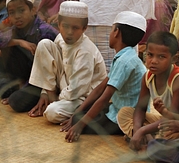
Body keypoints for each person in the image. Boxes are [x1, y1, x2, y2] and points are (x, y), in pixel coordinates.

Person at [62, 11, 147, 140]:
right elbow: (99, 89)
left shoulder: (125, 61)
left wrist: (79, 125)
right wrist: (77, 113)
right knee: (80, 110)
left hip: (124, 116)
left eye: (112, 29)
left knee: (79, 121)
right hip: (116, 108)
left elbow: (103, 99)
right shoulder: (125, 56)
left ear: (117, 32)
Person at [26, 1, 108, 124]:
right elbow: (51, 64)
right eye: (65, 26)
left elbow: (76, 91)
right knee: (44, 45)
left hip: (83, 97)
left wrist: (54, 99)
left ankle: (61, 104)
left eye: (75, 28)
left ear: (84, 28)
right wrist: (45, 92)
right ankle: (51, 96)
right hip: (65, 86)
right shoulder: (60, 39)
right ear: (59, 24)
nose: (69, 32)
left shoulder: (85, 51)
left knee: (52, 112)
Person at [117, 31, 179, 150]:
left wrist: (142, 130)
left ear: (173, 59)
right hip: (161, 122)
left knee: (169, 136)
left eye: (161, 57)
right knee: (124, 113)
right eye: (150, 55)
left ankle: (146, 140)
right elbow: (140, 108)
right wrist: (138, 128)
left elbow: (173, 117)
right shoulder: (147, 77)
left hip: (176, 123)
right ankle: (148, 140)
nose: (153, 61)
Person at [0, 0, 58, 108]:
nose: (17, 16)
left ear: (33, 10)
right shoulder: (16, 30)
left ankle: (25, 89)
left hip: (45, 81)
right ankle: (20, 84)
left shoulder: (44, 31)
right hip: (28, 76)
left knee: (15, 102)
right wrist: (19, 42)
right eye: (12, 13)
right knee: (0, 88)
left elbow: (49, 68)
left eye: (22, 11)